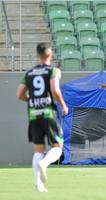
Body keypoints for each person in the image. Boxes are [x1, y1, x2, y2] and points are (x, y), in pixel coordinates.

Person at [16, 43, 68, 192]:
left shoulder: (29, 73)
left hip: (33, 114)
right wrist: (63, 105)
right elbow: (54, 89)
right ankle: (45, 163)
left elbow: (19, 94)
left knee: (38, 150)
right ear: (50, 55)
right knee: (58, 147)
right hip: (48, 113)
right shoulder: (53, 71)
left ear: (38, 55)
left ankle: (39, 185)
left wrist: (32, 101)